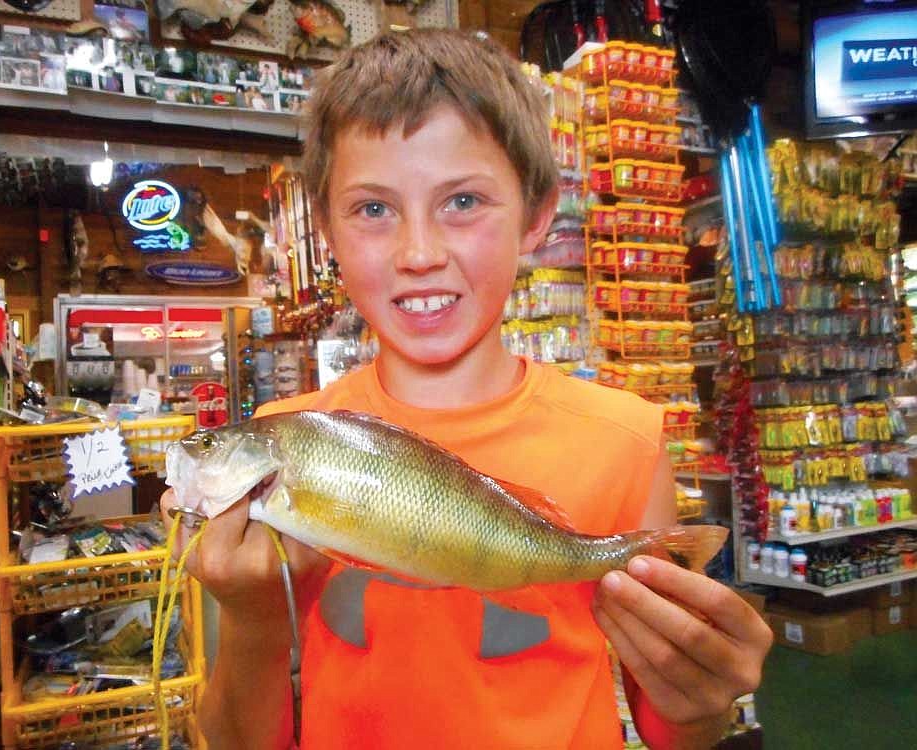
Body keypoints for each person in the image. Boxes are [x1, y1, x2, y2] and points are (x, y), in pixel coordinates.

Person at [161, 29, 772, 750]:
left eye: (463, 201)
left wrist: (699, 700)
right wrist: (255, 618)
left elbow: (671, 728)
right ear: (325, 228)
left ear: (537, 216)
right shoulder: (284, 434)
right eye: (374, 209)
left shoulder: (626, 442)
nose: (420, 254)